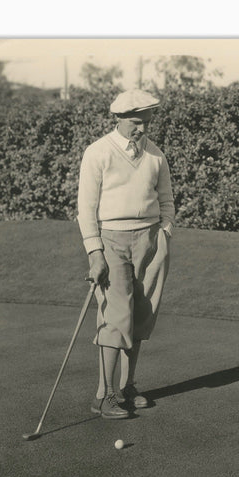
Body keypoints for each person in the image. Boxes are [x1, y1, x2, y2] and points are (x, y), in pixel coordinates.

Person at [77, 89, 175, 419]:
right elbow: (86, 208)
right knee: (115, 315)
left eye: (147, 122)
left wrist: (165, 232)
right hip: (111, 240)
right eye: (136, 122)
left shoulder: (156, 155)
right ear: (118, 118)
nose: (143, 129)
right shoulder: (97, 153)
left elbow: (167, 201)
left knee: (141, 317)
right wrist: (95, 252)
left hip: (151, 239)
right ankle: (104, 395)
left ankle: (128, 386)